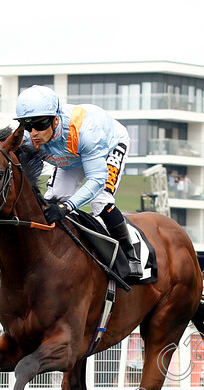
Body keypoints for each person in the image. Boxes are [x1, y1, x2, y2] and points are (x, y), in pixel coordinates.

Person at [15, 85, 142, 277]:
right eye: (26, 125)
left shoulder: (86, 131)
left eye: (40, 125)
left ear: (55, 120)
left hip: (107, 144)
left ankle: (131, 256)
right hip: (71, 156)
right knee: (53, 199)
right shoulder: (26, 138)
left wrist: (67, 208)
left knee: (100, 200)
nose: (33, 132)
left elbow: (97, 180)